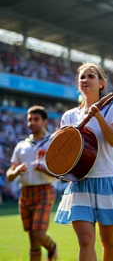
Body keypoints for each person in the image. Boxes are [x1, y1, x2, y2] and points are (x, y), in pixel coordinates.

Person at [54, 63, 113, 261]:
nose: (85, 80)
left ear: (101, 83)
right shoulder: (69, 116)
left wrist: (97, 115)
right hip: (79, 183)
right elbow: (64, 153)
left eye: (90, 76)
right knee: (86, 239)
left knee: (108, 241)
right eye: (82, 77)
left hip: (107, 180)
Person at [6, 105, 57, 261]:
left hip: (44, 190)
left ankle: (52, 247)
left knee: (39, 233)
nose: (32, 123)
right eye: (29, 120)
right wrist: (15, 172)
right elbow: (9, 174)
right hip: (26, 192)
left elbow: (59, 172)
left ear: (45, 122)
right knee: (32, 239)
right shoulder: (21, 145)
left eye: (36, 119)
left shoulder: (52, 142)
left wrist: (41, 167)